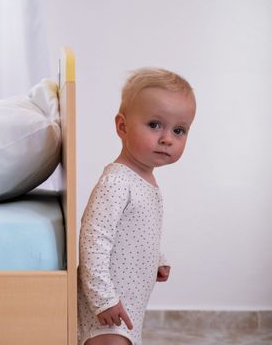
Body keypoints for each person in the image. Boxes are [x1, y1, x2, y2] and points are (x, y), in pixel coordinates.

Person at [77, 68, 197, 345]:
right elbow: (93, 241)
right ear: (122, 126)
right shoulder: (117, 181)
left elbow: (136, 232)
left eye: (179, 130)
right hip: (107, 304)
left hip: (128, 301)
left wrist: (156, 258)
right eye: (155, 125)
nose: (167, 138)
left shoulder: (144, 180)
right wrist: (103, 299)